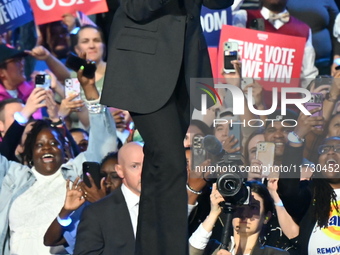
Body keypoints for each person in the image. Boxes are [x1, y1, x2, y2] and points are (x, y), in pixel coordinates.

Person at [100, 1, 234, 254]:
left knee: (158, 164)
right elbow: (135, 8)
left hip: (186, 61)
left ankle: (149, 248)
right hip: (143, 64)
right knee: (172, 160)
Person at [0, 69, 117, 255]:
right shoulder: (15, 178)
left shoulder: (76, 174)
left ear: (65, 149)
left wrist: (90, 90)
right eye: (39, 144)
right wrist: (23, 115)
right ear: (30, 152)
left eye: (54, 143)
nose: (47, 148)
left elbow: (105, 142)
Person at [278, 109, 340, 255]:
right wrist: (296, 137)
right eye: (324, 149)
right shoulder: (309, 194)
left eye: (338, 149)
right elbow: (288, 189)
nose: (331, 152)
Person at [73, 142, 144, 254]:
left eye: (148, 165)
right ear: (120, 171)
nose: (143, 173)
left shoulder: (168, 206)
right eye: (134, 166)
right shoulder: (96, 214)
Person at [189, 182, 289, 255]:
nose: (245, 213)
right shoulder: (212, 248)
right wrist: (214, 213)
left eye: (253, 207)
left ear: (266, 217)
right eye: (240, 206)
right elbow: (190, 252)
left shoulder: (275, 254)